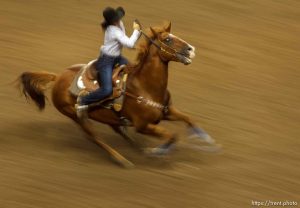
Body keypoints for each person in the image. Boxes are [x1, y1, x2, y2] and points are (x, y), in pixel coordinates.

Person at [76, 7, 141, 114]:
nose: (118, 20)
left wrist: (132, 39)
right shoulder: (112, 30)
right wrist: (136, 32)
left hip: (117, 57)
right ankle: (83, 101)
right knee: (107, 90)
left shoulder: (118, 22)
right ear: (111, 21)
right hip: (106, 61)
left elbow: (125, 40)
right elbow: (129, 44)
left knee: (134, 70)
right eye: (116, 18)